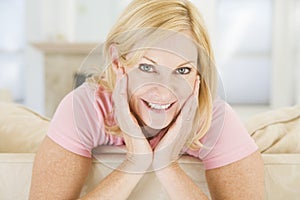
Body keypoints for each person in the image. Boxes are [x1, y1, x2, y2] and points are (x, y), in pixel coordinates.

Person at [29, 0, 265, 199]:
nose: (164, 92)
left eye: (182, 71)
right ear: (117, 62)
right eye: (147, 67)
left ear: (199, 73)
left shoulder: (214, 119)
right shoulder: (85, 108)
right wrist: (135, 162)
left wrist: (167, 164)